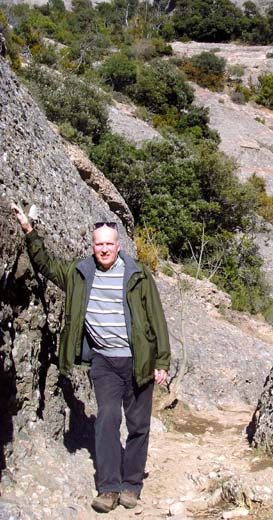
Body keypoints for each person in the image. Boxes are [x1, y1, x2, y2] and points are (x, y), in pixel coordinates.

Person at [11, 204, 171, 513]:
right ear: (93, 246)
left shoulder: (138, 274)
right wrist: (29, 230)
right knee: (107, 421)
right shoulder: (79, 273)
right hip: (104, 363)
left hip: (138, 361)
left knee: (138, 425)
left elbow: (157, 318)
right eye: (99, 244)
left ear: (118, 245)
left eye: (109, 243)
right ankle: (109, 487)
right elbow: (46, 264)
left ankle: (132, 485)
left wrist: (161, 362)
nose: (104, 249)